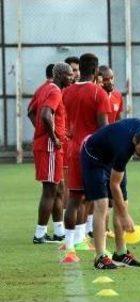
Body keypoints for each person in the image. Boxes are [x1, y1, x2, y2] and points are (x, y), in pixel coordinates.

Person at [82, 118, 140, 269]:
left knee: (123, 202)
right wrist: (124, 216)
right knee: (102, 205)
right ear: (135, 141)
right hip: (94, 159)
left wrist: (123, 211)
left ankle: (121, 253)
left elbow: (116, 186)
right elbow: (114, 184)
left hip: (113, 159)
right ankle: (100, 257)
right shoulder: (124, 146)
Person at [60, 53, 111, 263]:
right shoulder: (99, 93)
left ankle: (71, 247)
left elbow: (66, 119)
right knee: (98, 199)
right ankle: (100, 247)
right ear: (96, 70)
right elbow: (103, 128)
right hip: (92, 151)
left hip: (73, 149)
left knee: (74, 198)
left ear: (79, 69)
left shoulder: (67, 92)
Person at [28, 63, 74, 244]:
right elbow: (46, 115)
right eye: (70, 74)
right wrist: (53, 137)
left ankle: (59, 232)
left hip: (49, 145)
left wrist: (41, 131)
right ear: (61, 75)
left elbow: (31, 112)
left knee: (59, 188)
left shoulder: (45, 88)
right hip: (50, 147)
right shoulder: (55, 91)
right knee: (50, 190)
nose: (72, 77)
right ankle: (39, 234)